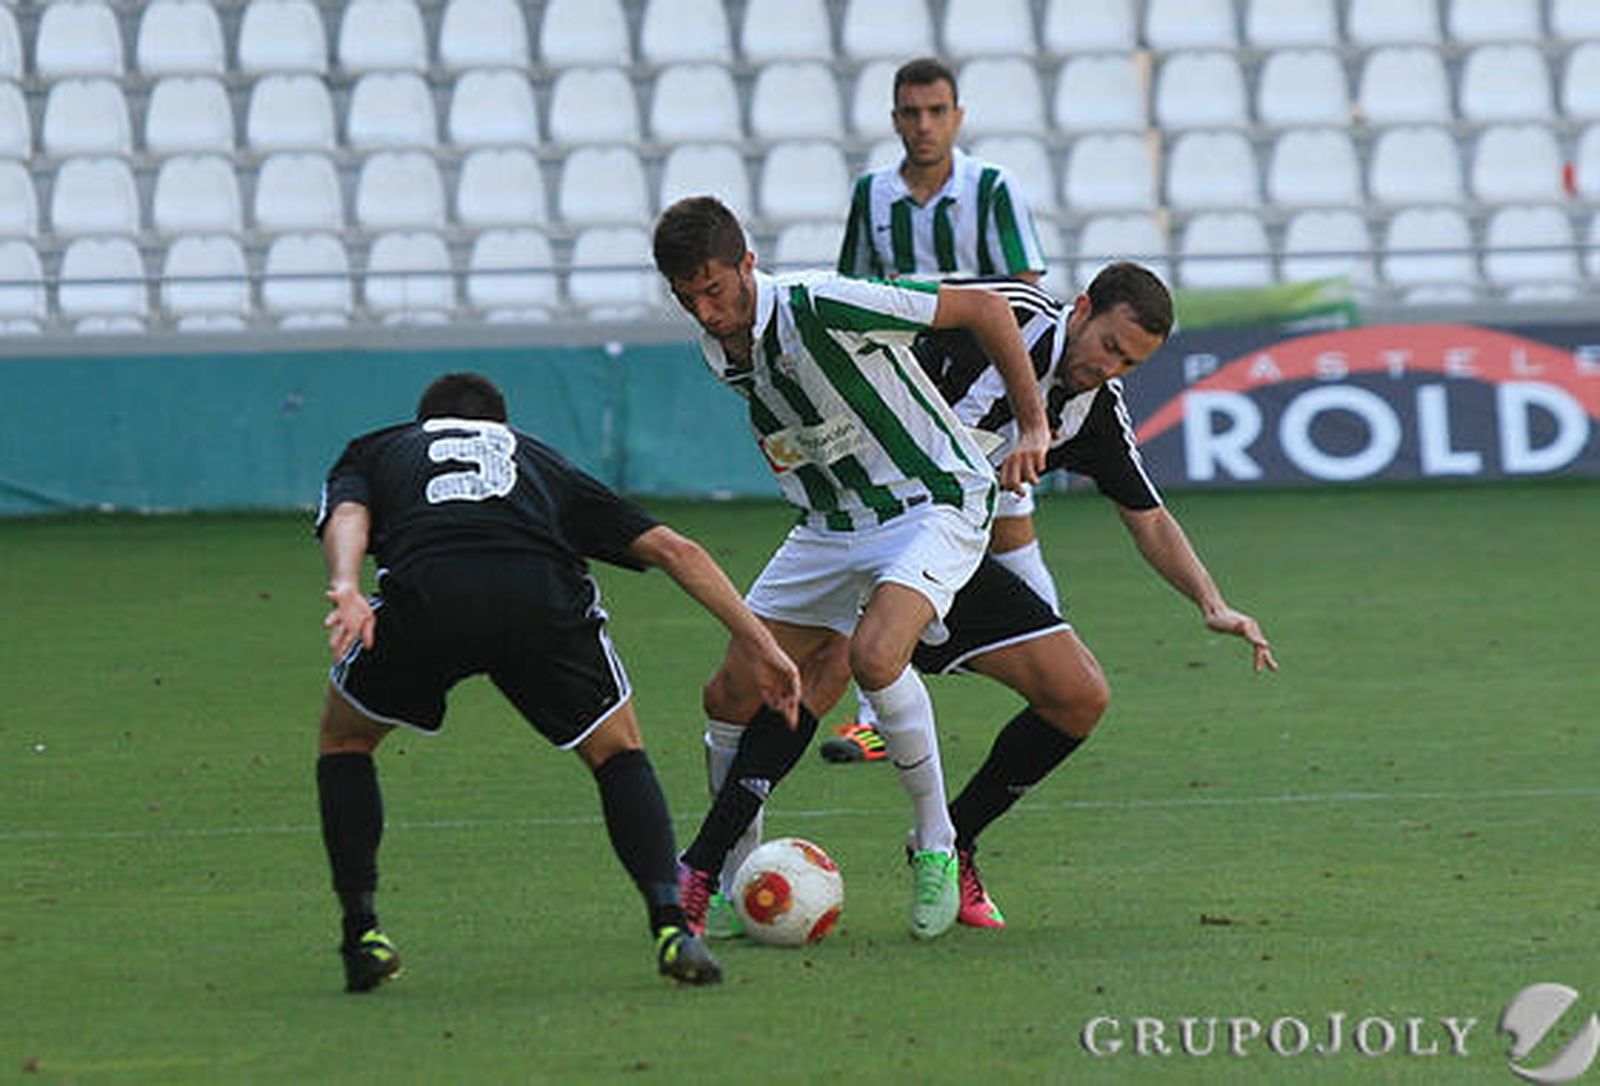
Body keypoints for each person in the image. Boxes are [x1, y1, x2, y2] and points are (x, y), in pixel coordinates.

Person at [709, 264, 1278, 933]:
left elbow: (1147, 516)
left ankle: (953, 842)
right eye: (1110, 346)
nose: (1111, 367)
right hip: (868, 519)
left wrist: (1211, 602)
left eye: (1130, 362)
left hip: (950, 547)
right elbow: (910, 312)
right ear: (1084, 307)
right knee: (812, 677)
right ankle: (717, 873)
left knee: (1079, 695)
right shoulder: (1005, 318)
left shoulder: (1094, 408)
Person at [312, 372, 800, 991]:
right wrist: (763, 646)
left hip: (428, 596)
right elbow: (675, 549)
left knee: (346, 743)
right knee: (617, 753)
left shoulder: (378, 448)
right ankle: (672, 926)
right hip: (539, 601)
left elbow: (349, 512)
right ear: (500, 425)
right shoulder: (538, 459)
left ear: (424, 421)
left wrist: (347, 585)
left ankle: (362, 934)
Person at [652, 195, 1049, 940]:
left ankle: (935, 843)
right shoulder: (720, 347)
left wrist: (1033, 423)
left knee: (874, 655)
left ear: (748, 264)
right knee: (732, 688)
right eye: (687, 299)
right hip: (833, 524)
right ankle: (740, 876)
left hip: (934, 497)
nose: (705, 311)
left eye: (714, 290)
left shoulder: (822, 301)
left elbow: (989, 309)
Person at [826, 55, 1056, 765]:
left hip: (979, 392)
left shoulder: (991, 189)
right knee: (891, 538)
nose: (923, 125)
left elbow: (1024, 292)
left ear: (957, 116)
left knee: (1010, 532)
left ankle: (1056, 661)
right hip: (901, 400)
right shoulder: (872, 196)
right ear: (895, 118)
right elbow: (851, 292)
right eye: (910, 112)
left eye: (936, 112)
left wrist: (1020, 408)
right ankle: (874, 716)